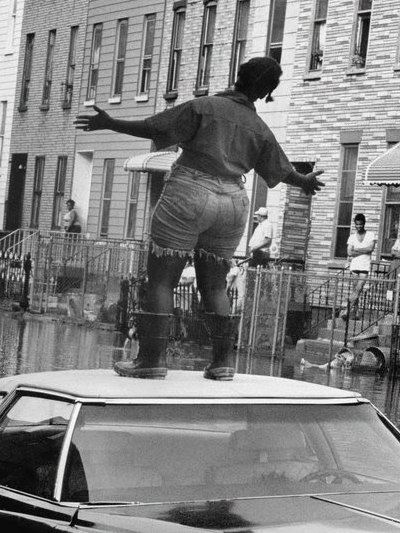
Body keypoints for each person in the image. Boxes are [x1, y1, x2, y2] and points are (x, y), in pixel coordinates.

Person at [75, 55, 324, 380]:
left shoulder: (204, 107)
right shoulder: (260, 128)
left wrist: (110, 123)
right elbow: (282, 170)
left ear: (239, 75)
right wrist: (305, 182)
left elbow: (154, 127)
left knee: (162, 280)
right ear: (265, 92)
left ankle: (150, 360)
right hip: (233, 202)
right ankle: (222, 363)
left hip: (190, 190)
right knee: (215, 286)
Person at [342, 213, 377, 320]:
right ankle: (357, 313)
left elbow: (370, 249)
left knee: (359, 289)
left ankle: (347, 310)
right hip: (354, 265)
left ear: (364, 224)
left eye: (360, 224)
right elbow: (349, 252)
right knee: (355, 290)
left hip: (365, 266)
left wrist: (356, 250)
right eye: (357, 224)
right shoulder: (352, 237)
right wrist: (363, 250)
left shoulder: (370, 234)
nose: (359, 226)